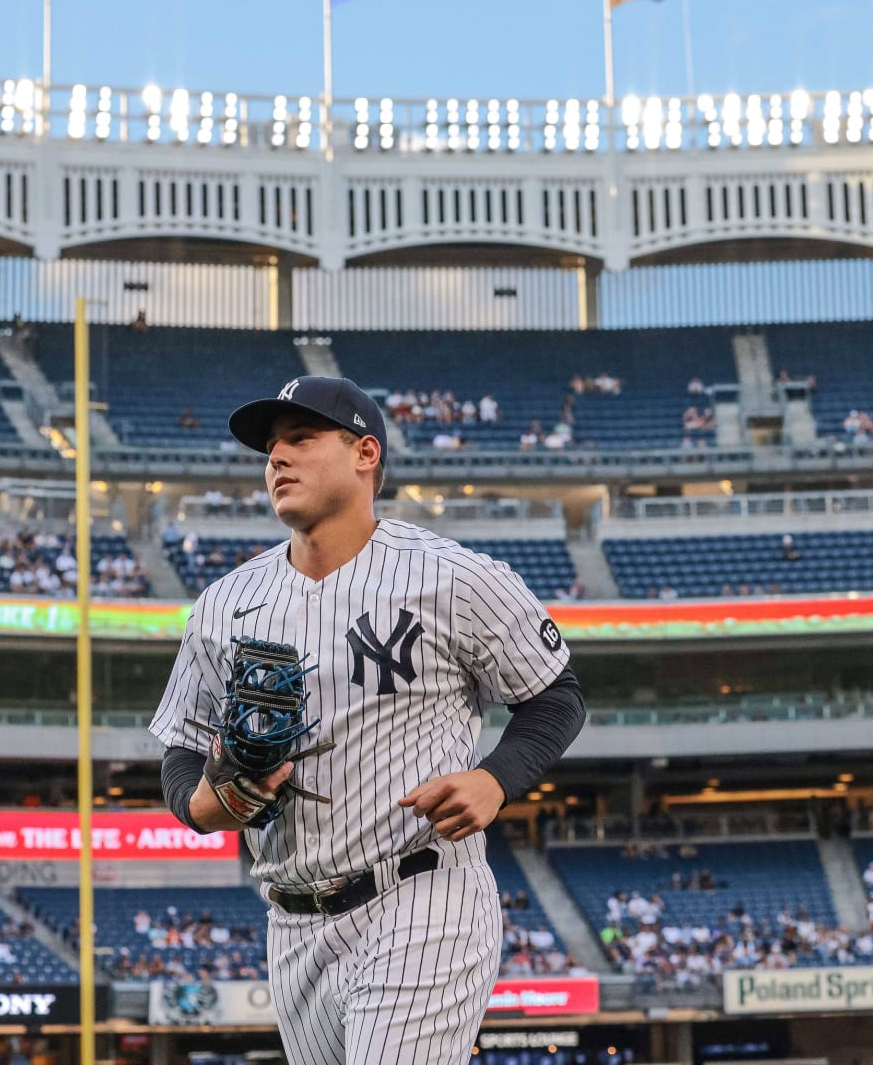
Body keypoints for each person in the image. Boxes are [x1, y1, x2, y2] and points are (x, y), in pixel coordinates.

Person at [150, 374, 586, 1065]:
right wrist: (198, 804)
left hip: (419, 893)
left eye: (300, 439)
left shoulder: (454, 578)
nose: (277, 460)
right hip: (290, 920)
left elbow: (555, 696)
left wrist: (495, 780)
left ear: (365, 454)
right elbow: (181, 742)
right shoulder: (225, 603)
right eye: (270, 448)